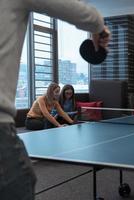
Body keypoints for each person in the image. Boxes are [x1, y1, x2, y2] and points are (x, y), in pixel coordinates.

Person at [0, 0, 110, 199]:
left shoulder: (56, 101)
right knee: (21, 181)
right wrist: (98, 27)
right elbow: (80, 12)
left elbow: (59, 112)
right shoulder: (43, 100)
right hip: (27, 122)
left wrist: (70, 123)